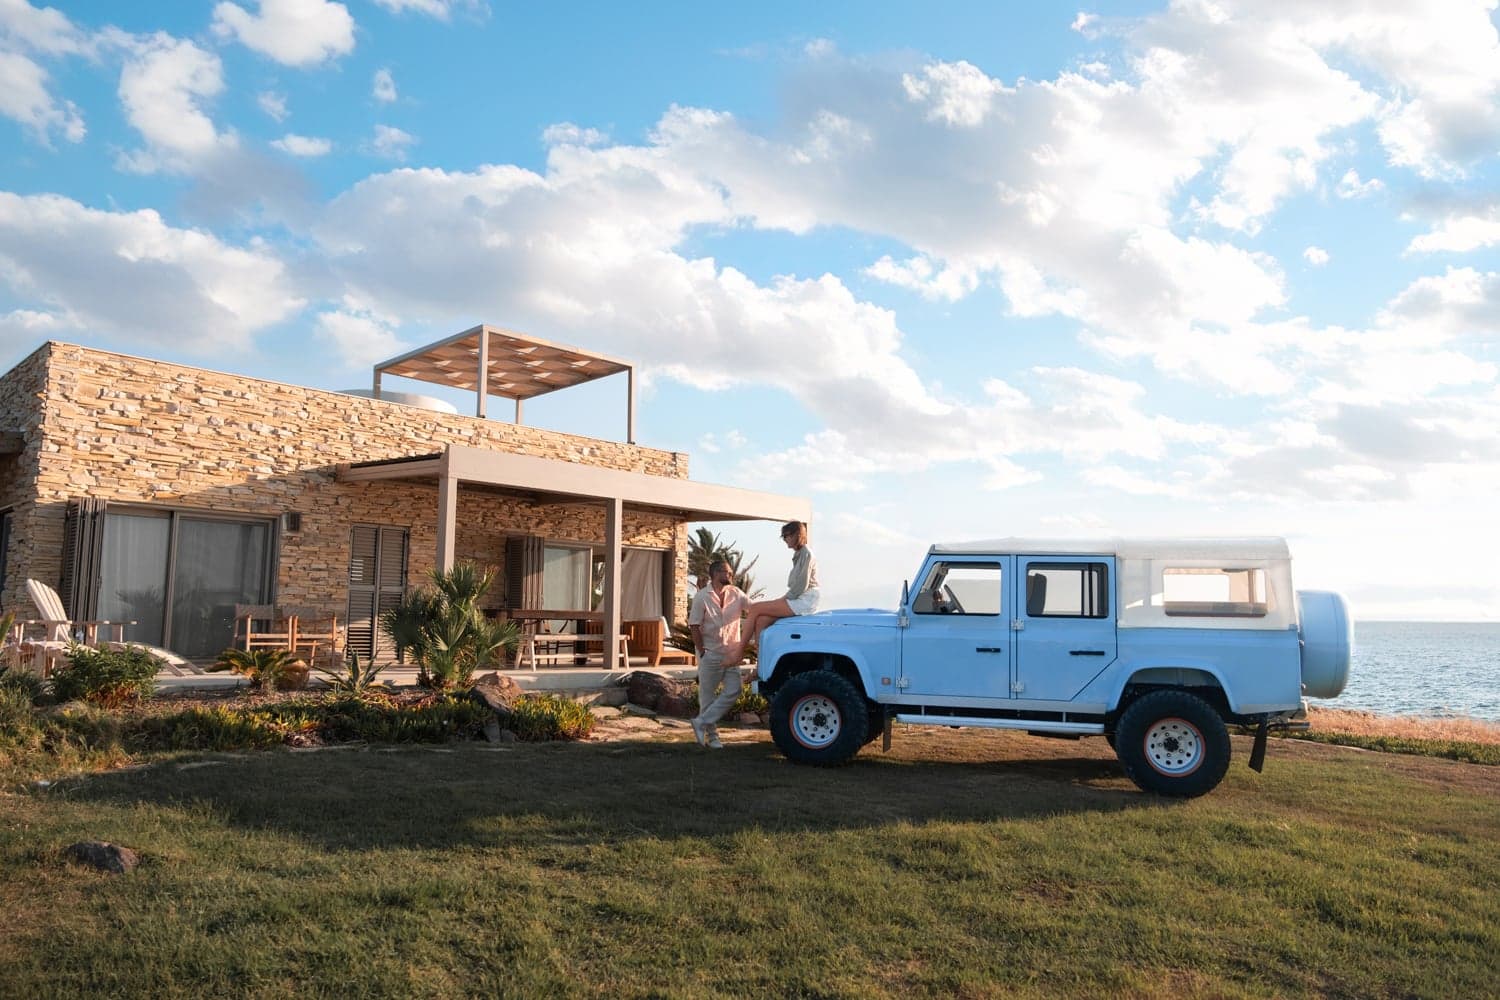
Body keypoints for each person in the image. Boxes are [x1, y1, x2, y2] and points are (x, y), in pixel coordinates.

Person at [725, 520, 819, 666]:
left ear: (797, 535)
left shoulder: (806, 554)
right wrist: (784, 598)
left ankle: (738, 653)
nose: (785, 539)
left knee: (755, 608)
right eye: (783, 536)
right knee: (762, 620)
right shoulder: (799, 554)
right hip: (798, 597)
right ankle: (760, 665)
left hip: (804, 600)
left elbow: (802, 585)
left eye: (787, 535)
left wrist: (784, 599)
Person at [686, 558, 751, 749]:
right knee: (707, 697)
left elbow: (754, 609)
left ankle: (701, 722)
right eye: (726, 572)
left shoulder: (737, 594)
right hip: (711, 653)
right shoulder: (702, 597)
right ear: (715, 574)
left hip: (731, 653)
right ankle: (713, 737)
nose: (730, 575)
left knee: (734, 689)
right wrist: (702, 651)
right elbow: (694, 625)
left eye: (731, 572)